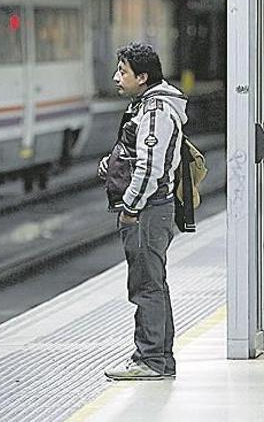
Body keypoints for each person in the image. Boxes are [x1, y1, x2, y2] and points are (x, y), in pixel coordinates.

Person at [98, 42, 188, 380]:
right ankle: (159, 358)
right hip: (152, 208)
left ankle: (150, 360)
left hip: (148, 211)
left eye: (123, 71)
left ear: (143, 76)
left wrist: (131, 208)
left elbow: (150, 167)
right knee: (154, 284)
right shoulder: (149, 106)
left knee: (146, 286)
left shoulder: (155, 112)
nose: (116, 77)